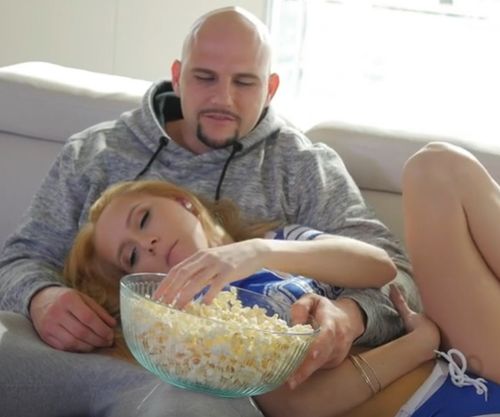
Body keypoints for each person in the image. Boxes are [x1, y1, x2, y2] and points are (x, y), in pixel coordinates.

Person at [0, 6, 418, 417]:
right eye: (204, 77)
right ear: (177, 76)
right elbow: (20, 258)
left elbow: (394, 273)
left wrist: (350, 317)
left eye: (244, 82)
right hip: (91, 355)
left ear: (271, 88)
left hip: (197, 385)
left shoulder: (302, 167)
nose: (223, 98)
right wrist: (42, 298)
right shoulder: (94, 152)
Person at [258, 142, 500, 417]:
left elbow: (385, 267)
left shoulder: (276, 239)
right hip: (445, 390)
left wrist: (351, 313)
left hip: (464, 374)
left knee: (436, 167)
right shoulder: (222, 309)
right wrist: (419, 344)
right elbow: (296, 405)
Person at [63, 179, 396, 362]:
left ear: (183, 202)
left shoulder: (279, 238)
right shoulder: (191, 325)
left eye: (144, 219)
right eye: (132, 255)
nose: (146, 243)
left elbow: (381, 267)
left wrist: (260, 252)